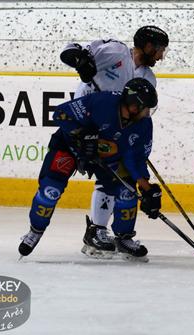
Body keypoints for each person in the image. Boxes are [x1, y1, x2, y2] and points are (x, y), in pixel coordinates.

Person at [18, 78, 162, 263]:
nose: (147, 113)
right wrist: (82, 133)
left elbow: (135, 158)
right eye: (145, 108)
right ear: (134, 105)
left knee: (128, 191)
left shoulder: (143, 125)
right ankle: (35, 231)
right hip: (69, 148)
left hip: (104, 158)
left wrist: (146, 188)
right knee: (50, 190)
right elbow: (60, 113)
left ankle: (124, 237)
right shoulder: (102, 102)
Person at [59, 26, 168, 257]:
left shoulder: (148, 77)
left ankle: (122, 236)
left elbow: (143, 113)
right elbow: (75, 51)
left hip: (118, 132)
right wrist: (81, 62)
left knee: (125, 179)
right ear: (147, 46)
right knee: (107, 178)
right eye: (159, 50)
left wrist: (135, 144)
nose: (160, 56)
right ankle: (96, 232)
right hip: (90, 125)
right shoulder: (115, 53)